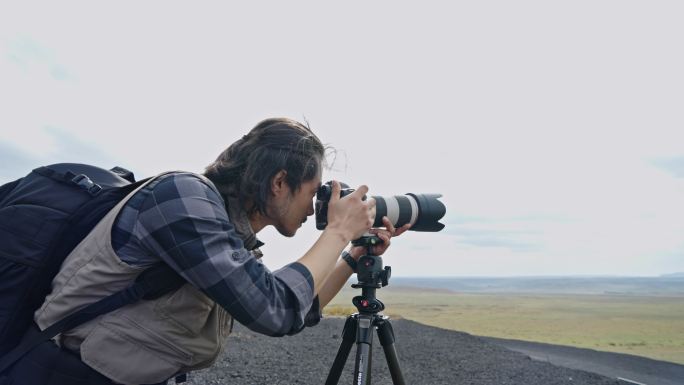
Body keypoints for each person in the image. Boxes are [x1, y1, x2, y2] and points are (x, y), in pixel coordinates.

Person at [20, 118, 409, 385]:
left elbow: (299, 309)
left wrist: (354, 252)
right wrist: (339, 230)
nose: (316, 207)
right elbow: (275, 309)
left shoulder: (226, 235)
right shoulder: (181, 198)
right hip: (57, 374)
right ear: (279, 182)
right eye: (313, 192)